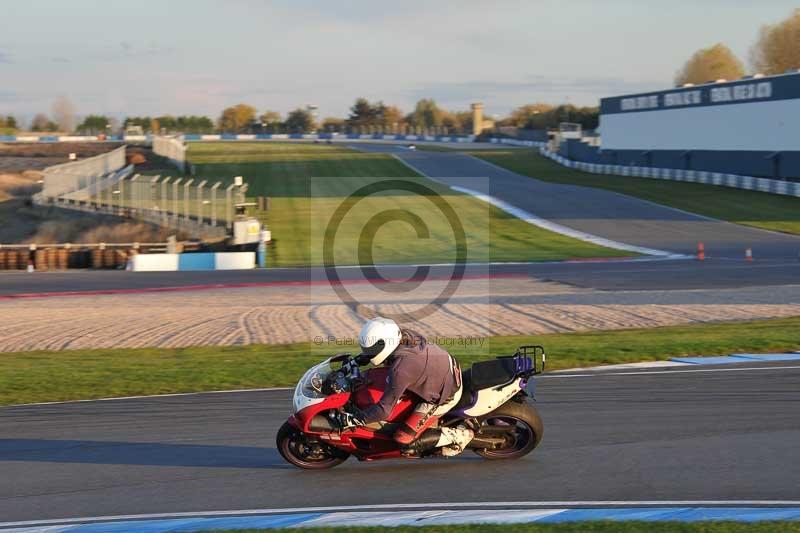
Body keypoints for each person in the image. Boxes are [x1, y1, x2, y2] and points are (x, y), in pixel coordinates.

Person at [343, 317, 474, 457]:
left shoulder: (400, 371)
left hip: (446, 393)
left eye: (371, 349)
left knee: (403, 439)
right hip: (446, 365)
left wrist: (354, 419)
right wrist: (357, 361)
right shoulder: (405, 335)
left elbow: (383, 410)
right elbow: (379, 353)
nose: (369, 352)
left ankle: (459, 436)